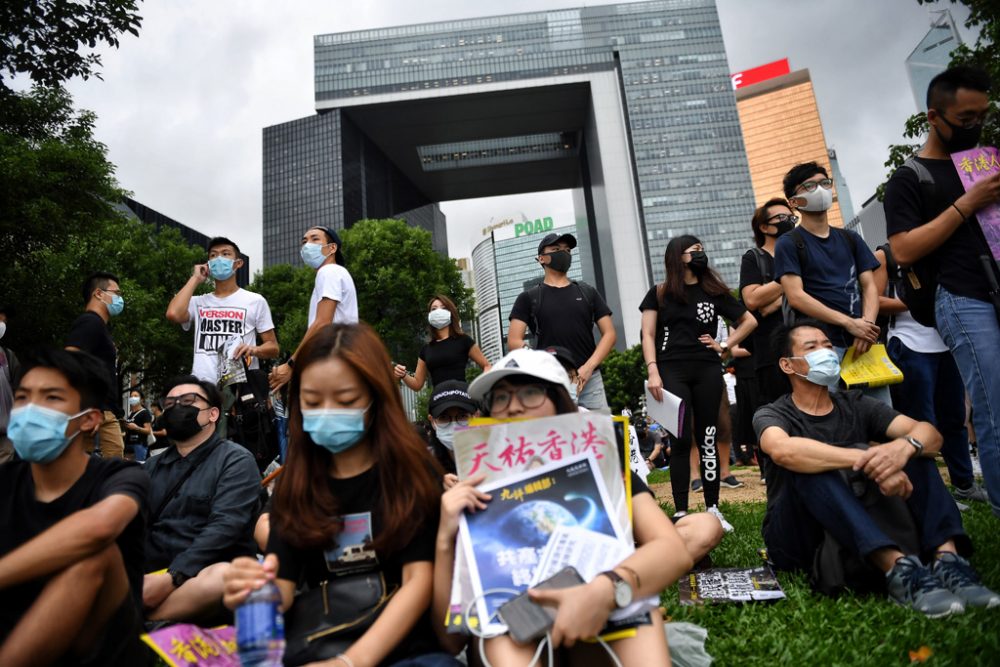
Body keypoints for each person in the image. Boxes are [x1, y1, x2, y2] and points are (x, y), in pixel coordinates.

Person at [431, 348, 707, 664]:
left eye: (531, 392)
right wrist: (444, 538)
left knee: (639, 624)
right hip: (518, 623)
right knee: (502, 644)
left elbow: (672, 550)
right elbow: (450, 640)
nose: (514, 407)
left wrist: (605, 591)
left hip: (601, 607)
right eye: (501, 398)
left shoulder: (602, 467)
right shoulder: (469, 489)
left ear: (560, 402)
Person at [223, 323, 455, 667]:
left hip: (406, 650)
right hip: (321, 640)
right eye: (312, 401)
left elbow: (417, 582)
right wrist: (252, 591)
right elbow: (282, 588)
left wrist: (351, 662)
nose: (327, 411)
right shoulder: (296, 484)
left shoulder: (413, 475)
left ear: (376, 397)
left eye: (345, 400)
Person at [754, 319, 999, 617]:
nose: (826, 352)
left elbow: (930, 436)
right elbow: (783, 449)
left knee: (914, 450)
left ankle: (948, 561)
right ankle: (897, 570)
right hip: (796, 536)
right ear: (788, 365)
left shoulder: (855, 403)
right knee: (807, 465)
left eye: (828, 345)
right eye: (812, 347)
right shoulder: (773, 413)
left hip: (852, 524)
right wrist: (866, 456)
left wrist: (903, 448)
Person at [885, 65, 1000, 516]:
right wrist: (966, 205)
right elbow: (903, 248)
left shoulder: (986, 162)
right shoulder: (911, 177)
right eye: (966, 118)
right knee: (992, 407)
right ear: (934, 116)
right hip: (962, 296)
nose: (976, 126)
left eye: (983, 117)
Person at [0, 348, 149, 665]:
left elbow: (100, 528)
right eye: (23, 397)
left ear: (89, 420)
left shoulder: (122, 476)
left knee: (94, 555)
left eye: (51, 398)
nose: (30, 410)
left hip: (98, 650)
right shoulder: (6, 481)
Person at [641, 235, 757, 532]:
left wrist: (725, 345)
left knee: (707, 436)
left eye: (702, 249)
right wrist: (653, 370)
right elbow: (648, 335)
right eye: (695, 251)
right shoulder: (659, 293)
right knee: (680, 439)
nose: (701, 254)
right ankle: (680, 511)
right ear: (679, 257)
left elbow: (748, 321)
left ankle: (712, 507)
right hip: (670, 370)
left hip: (707, 369)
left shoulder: (713, 291)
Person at [873, 246, 987, 507]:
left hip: (947, 344)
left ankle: (964, 484)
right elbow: (876, 300)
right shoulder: (886, 256)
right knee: (919, 422)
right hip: (910, 344)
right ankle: (930, 490)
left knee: (955, 418)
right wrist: (918, 301)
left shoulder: (944, 248)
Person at [143, 375, 262, 622]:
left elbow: (224, 527)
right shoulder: (150, 467)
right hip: (150, 574)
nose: (177, 408)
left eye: (188, 401)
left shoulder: (236, 461)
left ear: (213, 414)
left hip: (203, 575)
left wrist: (172, 577)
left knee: (223, 576)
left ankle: (137, 622)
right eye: (170, 404)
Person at [774, 163, 889, 404]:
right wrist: (850, 324)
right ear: (794, 202)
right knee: (830, 421)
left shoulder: (850, 238)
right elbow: (796, 296)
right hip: (821, 348)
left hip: (863, 344)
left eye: (825, 183)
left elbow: (869, 286)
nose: (821, 190)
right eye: (810, 186)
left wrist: (866, 327)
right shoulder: (789, 242)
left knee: (881, 418)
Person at [508, 232, 617, 410]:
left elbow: (610, 334)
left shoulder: (587, 292)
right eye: (556, 249)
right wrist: (541, 361)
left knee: (598, 436)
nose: (563, 253)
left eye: (567, 250)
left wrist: (588, 368)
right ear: (542, 258)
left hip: (590, 380)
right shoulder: (528, 298)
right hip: (550, 380)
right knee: (556, 434)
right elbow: (514, 341)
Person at [165, 236, 279, 386]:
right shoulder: (198, 302)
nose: (219, 258)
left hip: (241, 387)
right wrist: (195, 278)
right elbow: (173, 314)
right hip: (203, 387)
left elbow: (273, 347)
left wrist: (253, 350)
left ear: (238, 263)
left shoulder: (256, 301)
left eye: (225, 254)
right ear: (208, 265)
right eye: (213, 255)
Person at [269, 226, 359, 391]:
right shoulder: (335, 273)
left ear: (332, 248)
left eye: (315, 239)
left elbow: (322, 322)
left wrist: (291, 364)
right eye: (304, 242)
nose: (307, 245)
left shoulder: (329, 271)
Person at [740, 198, 795, 407]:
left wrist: (774, 302)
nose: (788, 221)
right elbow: (753, 299)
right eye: (781, 218)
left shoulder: (801, 252)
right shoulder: (755, 258)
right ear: (764, 227)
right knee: (780, 412)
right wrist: (792, 280)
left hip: (806, 346)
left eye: (791, 217)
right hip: (770, 353)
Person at [66, 272, 126, 458]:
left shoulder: (98, 326)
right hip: (97, 411)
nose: (120, 299)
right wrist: (89, 406)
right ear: (98, 293)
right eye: (116, 293)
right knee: (112, 470)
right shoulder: (90, 322)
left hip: (101, 411)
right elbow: (69, 361)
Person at [395, 294, 491, 391]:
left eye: (443, 308)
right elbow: (417, 384)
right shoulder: (426, 350)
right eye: (434, 309)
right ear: (429, 316)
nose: (438, 311)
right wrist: (403, 375)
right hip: (439, 400)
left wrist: (482, 390)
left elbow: (486, 365)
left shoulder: (464, 340)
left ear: (450, 312)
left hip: (462, 397)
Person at [426, 379, 478, 489]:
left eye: (462, 416)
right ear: (432, 421)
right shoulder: (424, 466)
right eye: (444, 418)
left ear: (476, 417)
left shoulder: (497, 457)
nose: (454, 425)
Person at [0, 305, 19, 463]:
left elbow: (20, 387)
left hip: (6, 432)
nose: (2, 324)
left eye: (3, 320)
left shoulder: (7, 356)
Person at [123, 389, 153, 463]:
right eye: (131, 396)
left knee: (139, 466)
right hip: (128, 444)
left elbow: (148, 430)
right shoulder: (130, 414)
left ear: (141, 399)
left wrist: (136, 428)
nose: (133, 398)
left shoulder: (144, 413)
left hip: (140, 444)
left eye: (135, 396)